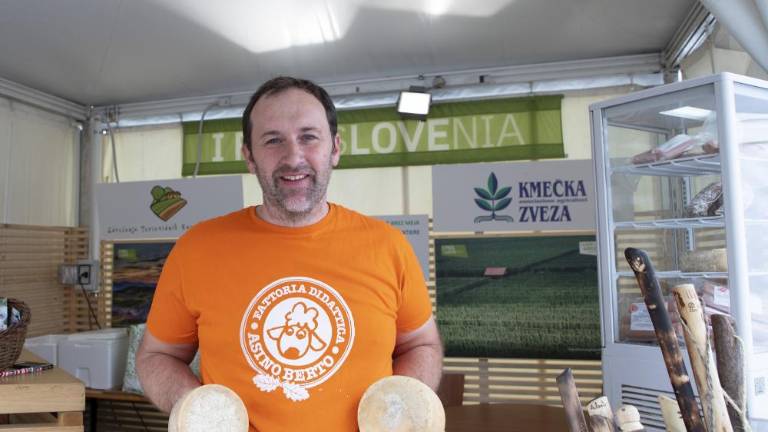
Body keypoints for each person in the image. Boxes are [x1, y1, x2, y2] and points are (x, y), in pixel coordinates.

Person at [136, 76, 443, 431]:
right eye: (273, 140)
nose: (293, 157)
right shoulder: (198, 248)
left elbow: (421, 345)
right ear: (249, 156)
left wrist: (402, 409)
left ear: (335, 149)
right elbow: (157, 355)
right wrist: (200, 412)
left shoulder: (388, 246)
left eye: (309, 137)